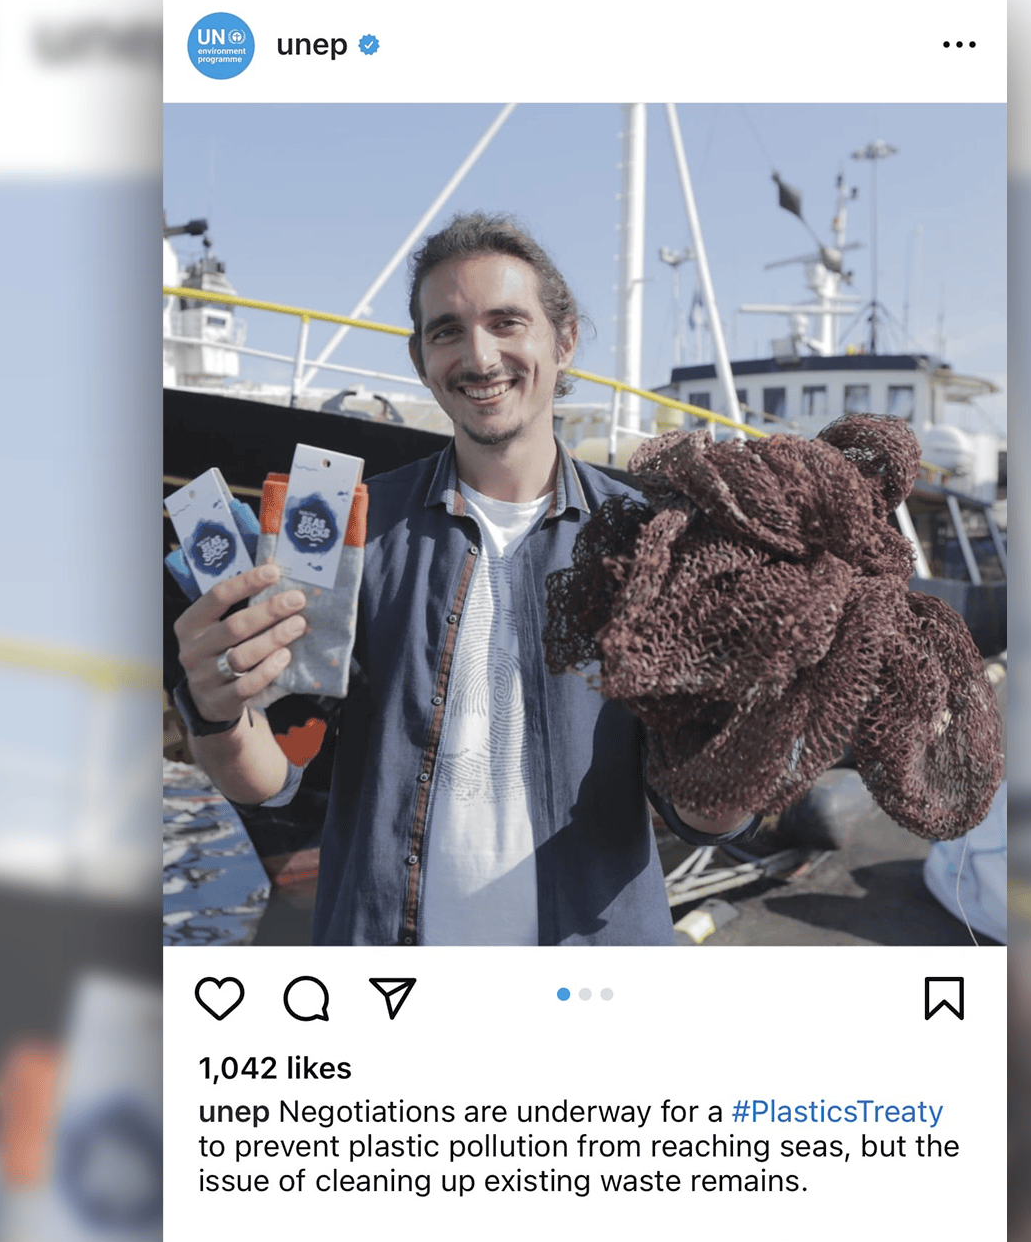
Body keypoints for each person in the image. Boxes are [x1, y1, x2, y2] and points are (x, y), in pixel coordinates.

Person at [172, 213, 751, 945]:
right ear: (420, 359)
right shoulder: (356, 528)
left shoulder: (653, 544)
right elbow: (272, 773)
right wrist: (216, 709)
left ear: (563, 339)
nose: (479, 356)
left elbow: (700, 815)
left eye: (507, 322)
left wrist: (744, 742)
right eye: (447, 330)